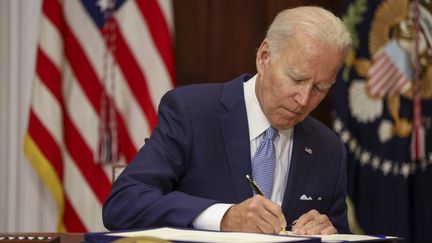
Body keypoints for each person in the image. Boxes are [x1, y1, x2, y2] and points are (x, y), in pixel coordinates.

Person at [103, 6, 352, 235]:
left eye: (320, 88)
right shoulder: (192, 113)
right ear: (264, 57)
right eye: (297, 79)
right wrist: (223, 217)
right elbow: (123, 204)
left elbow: (342, 235)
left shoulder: (328, 148)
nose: (304, 99)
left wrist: (327, 232)